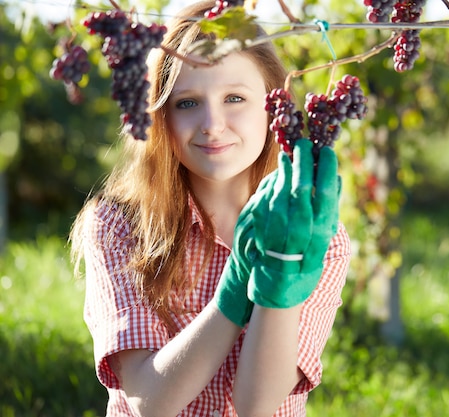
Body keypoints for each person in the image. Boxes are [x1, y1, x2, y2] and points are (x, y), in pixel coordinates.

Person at [69, 2, 351, 416]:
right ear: (160, 115)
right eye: (186, 103)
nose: (212, 124)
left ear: (274, 109)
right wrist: (236, 290)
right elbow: (150, 401)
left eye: (234, 97)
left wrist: (279, 273)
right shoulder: (119, 225)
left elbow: (257, 405)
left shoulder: (313, 235)